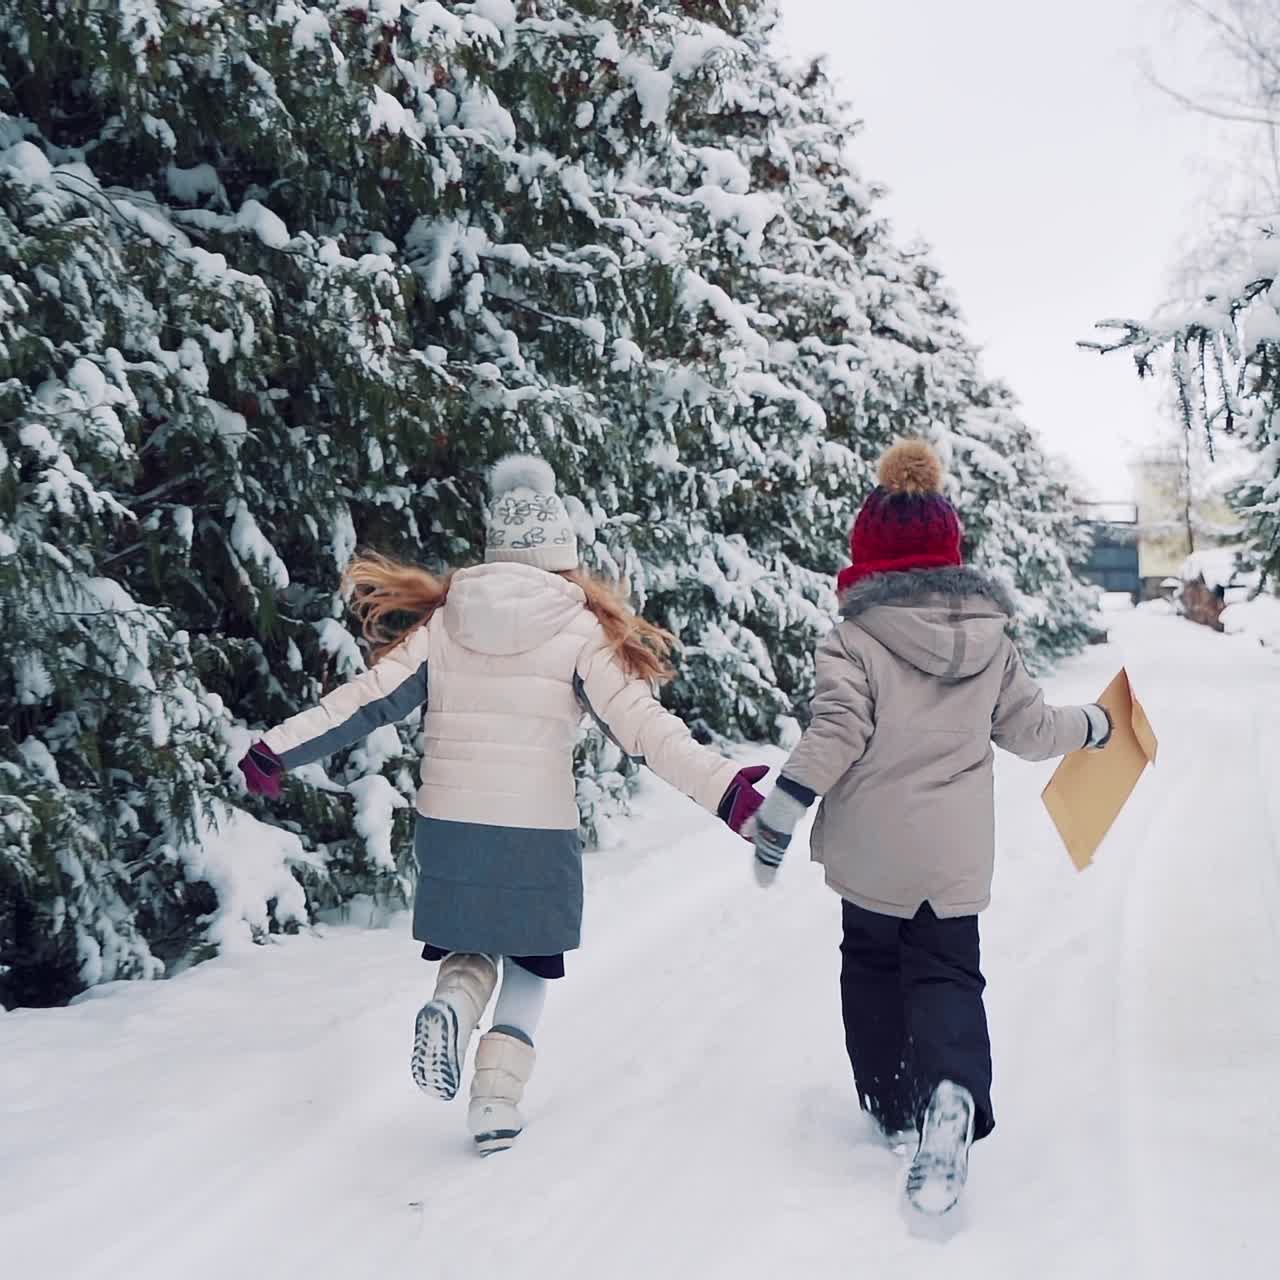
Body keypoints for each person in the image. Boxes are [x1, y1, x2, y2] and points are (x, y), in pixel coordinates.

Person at [239, 455, 767, 1154]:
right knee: (529, 962)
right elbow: (646, 731)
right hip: (534, 833)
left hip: (450, 828)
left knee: (470, 944)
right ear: (562, 554)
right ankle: (494, 1100)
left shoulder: (446, 623)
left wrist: (276, 748)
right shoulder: (577, 628)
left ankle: (454, 1004)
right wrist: (728, 793)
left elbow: (363, 704)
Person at [750, 440, 1111, 1215]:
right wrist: (1097, 725)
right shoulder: (994, 642)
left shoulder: (853, 639)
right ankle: (952, 1092)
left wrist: (782, 811)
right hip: (953, 858)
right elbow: (1032, 731)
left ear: (865, 560)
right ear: (952, 555)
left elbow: (837, 731)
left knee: (873, 969)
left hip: (872, 853)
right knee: (947, 975)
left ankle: (890, 1104)